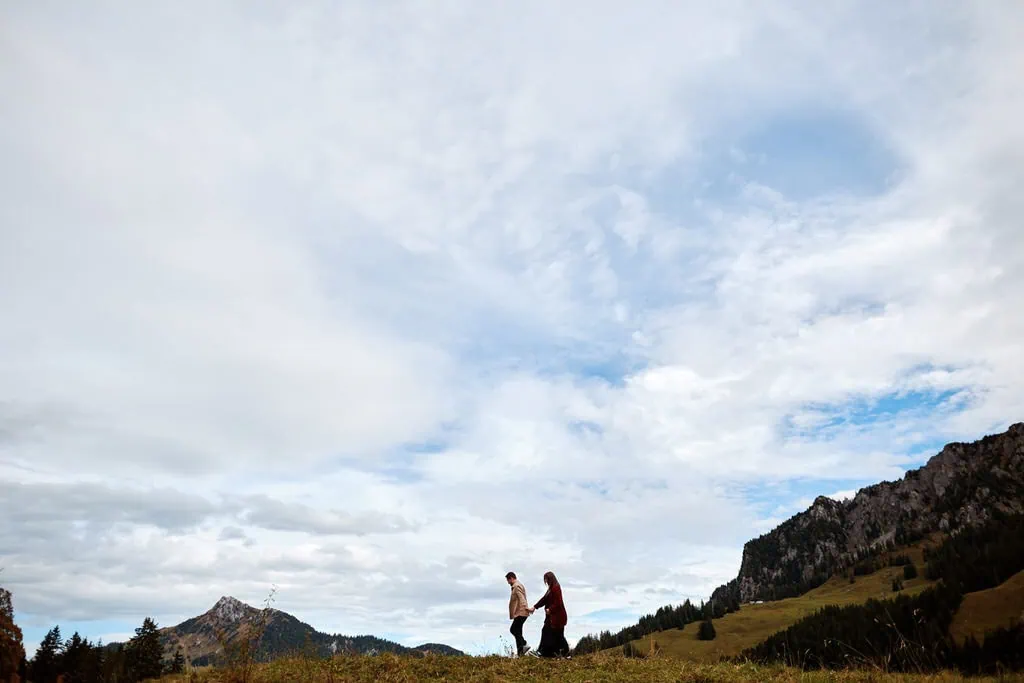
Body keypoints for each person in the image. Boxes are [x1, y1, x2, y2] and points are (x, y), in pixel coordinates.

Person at [529, 571, 569, 658]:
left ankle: (562, 654)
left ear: (550, 579)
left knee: (558, 635)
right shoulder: (550, 589)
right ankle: (547, 653)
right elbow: (544, 599)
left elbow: (558, 602)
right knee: (552, 634)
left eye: (546, 579)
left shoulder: (556, 588)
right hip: (552, 617)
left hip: (557, 617)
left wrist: (550, 609)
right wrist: (535, 607)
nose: (546, 582)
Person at [505, 571, 532, 656]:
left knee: (513, 629)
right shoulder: (517, 585)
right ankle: (520, 653)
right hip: (520, 612)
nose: (508, 582)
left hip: (521, 612)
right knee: (518, 631)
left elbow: (521, 598)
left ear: (512, 578)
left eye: (508, 580)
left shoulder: (516, 586)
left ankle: (524, 644)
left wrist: (525, 607)